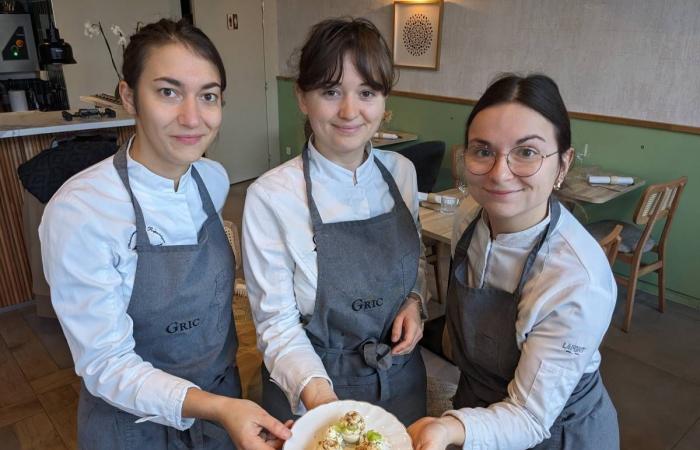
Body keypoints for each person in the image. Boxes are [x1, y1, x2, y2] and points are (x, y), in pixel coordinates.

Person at [39, 18, 290, 450]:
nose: (192, 117)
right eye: (168, 92)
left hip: (223, 409)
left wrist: (223, 406)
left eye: (208, 96)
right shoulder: (82, 210)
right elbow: (106, 364)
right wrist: (216, 407)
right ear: (128, 96)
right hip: (134, 426)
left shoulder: (211, 179)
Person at [408, 74, 619, 450]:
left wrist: (446, 429)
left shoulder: (577, 278)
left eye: (526, 152)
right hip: (475, 405)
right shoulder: (470, 219)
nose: (499, 174)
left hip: (554, 431)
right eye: (483, 151)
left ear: (563, 164)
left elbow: (529, 416)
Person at [242, 17, 428, 426]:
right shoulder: (271, 196)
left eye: (366, 92)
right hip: (314, 388)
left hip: (402, 380)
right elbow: (276, 324)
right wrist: (325, 405)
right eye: (330, 91)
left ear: (384, 101)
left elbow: (413, 265)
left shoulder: (402, 173)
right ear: (302, 98)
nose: (350, 111)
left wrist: (415, 302)